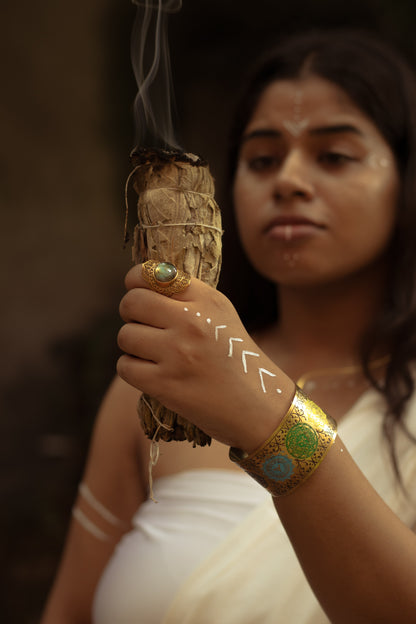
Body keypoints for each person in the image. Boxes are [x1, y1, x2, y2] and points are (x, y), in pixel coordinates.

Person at [41, 29, 416, 623]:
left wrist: (266, 416)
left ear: (404, 184)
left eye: (334, 155)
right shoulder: (160, 387)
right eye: (262, 159)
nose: (288, 179)